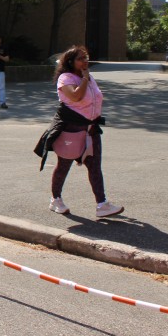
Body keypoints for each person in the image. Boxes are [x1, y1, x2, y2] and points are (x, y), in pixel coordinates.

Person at [34, 45, 123, 218]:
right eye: (80, 58)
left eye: (86, 57)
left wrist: (86, 78)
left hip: (91, 128)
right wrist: (85, 79)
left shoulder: (87, 77)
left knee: (95, 166)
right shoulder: (66, 78)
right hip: (72, 128)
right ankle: (55, 199)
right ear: (70, 61)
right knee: (64, 165)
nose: (85, 61)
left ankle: (102, 204)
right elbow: (76, 96)